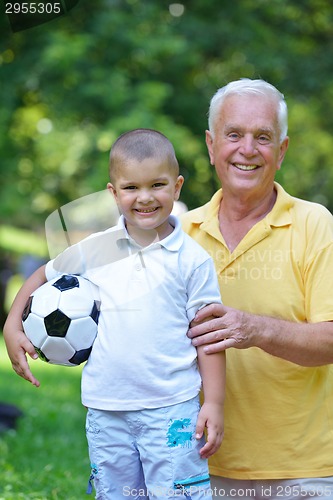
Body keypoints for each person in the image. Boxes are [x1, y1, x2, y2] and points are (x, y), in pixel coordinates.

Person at [3, 129, 226, 499]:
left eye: (158, 184)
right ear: (113, 193)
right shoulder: (97, 249)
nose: (145, 197)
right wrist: (13, 323)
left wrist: (214, 403)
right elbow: (43, 274)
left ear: (178, 186)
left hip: (172, 411)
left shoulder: (192, 261)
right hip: (107, 410)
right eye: (130, 188)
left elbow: (209, 336)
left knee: (178, 494)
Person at [181, 79, 333, 499]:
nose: (247, 149)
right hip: (195, 463)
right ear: (211, 146)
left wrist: (254, 329)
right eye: (234, 135)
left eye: (262, 137)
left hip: (304, 473)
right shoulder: (178, 236)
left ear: (281, 151)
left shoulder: (315, 224)